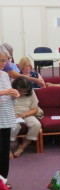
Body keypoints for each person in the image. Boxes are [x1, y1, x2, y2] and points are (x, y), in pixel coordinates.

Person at [0, 45, 20, 179]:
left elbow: (9, 97)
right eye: (1, 60)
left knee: (4, 155)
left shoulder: (5, 75)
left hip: (5, 118)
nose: (3, 63)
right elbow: (4, 92)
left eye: (5, 60)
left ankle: (3, 184)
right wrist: (5, 92)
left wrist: (14, 95)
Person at [10, 77, 42, 158]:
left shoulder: (31, 92)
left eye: (25, 92)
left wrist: (23, 115)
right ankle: (7, 148)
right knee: (14, 127)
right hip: (11, 115)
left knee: (36, 124)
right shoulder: (9, 91)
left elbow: (35, 109)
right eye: (20, 91)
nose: (22, 94)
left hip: (26, 114)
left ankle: (22, 147)